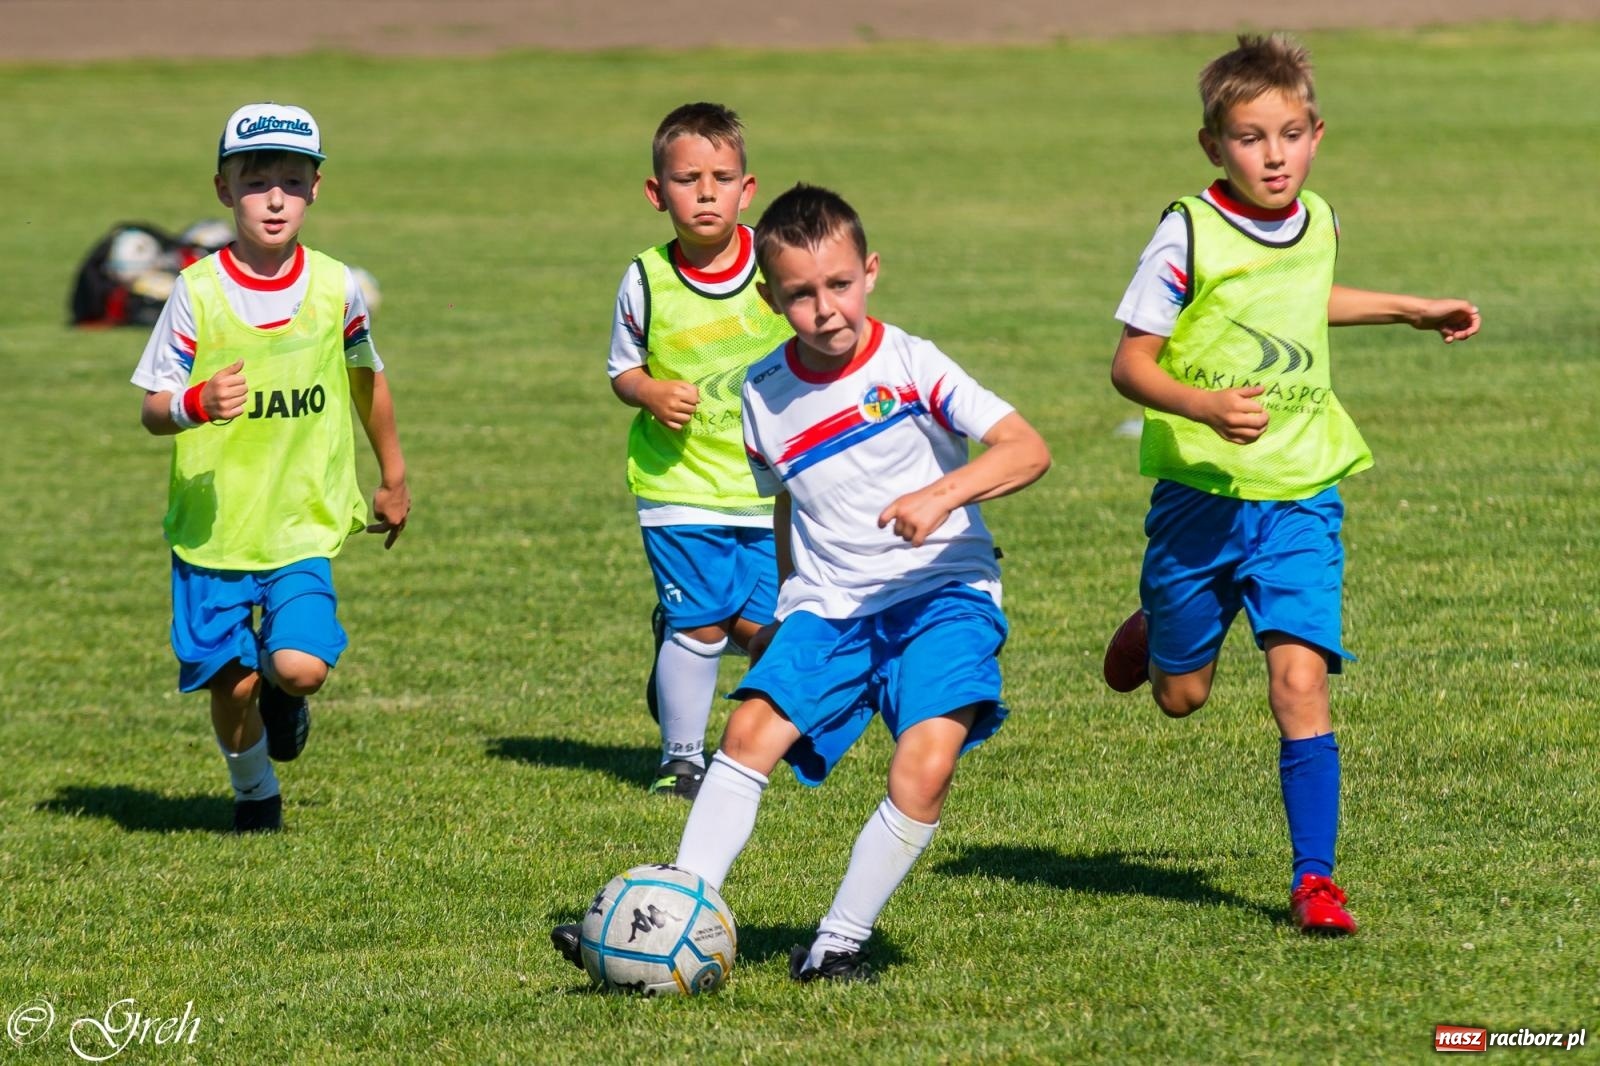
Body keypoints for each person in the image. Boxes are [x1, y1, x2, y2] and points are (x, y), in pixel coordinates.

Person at [554, 183, 1051, 981]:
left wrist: (940, 495)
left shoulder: (911, 362)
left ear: (870, 272)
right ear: (770, 298)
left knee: (925, 764)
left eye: (840, 285)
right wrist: (789, 598)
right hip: (831, 606)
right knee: (748, 734)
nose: (826, 309)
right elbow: (787, 500)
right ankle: (670, 914)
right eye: (801, 294)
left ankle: (837, 944)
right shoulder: (762, 393)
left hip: (944, 595)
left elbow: (1027, 448)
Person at [1100, 34, 1481, 933]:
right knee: (1181, 697)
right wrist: (1201, 405)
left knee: (1299, 682)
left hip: (1303, 489)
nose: (1274, 155)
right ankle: (1161, 628)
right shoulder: (1187, 232)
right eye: (1249, 137)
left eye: (1291, 134)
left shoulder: (1319, 219)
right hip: (1202, 496)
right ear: (1213, 146)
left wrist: (1409, 308)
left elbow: (1306, 300)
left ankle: (1316, 881)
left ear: (1317, 134)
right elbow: (1130, 363)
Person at [131, 102, 411, 833]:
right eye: (256, 183)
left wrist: (393, 476)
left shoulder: (336, 285)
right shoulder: (196, 291)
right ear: (224, 190)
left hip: (298, 521)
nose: (275, 199)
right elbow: (153, 408)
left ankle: (286, 698)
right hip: (215, 528)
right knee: (231, 686)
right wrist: (194, 403)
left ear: (316, 188)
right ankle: (255, 793)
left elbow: (366, 378)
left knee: (298, 667)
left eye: (292, 181)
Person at [606, 102, 793, 799]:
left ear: (748, 190)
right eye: (688, 180)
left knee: (769, 631)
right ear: (658, 193)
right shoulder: (645, 279)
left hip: (770, 492)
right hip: (677, 483)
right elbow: (622, 369)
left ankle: (682, 638)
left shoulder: (776, 266)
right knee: (703, 627)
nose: (706, 193)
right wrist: (649, 392)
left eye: (722, 178)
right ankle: (681, 762)